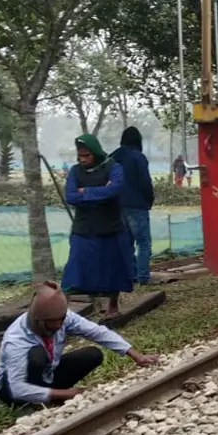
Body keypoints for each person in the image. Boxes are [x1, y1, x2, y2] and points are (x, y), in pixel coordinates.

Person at [0, 281, 158, 404]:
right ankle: (38, 400)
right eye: (53, 322)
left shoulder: (64, 318)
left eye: (62, 320)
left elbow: (97, 332)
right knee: (37, 356)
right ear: (39, 321)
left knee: (92, 354)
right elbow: (17, 388)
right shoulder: (16, 339)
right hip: (11, 390)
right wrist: (67, 394)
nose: (59, 325)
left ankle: (51, 394)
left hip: (48, 374)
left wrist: (135, 355)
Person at [62, 134, 135, 317]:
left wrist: (85, 192)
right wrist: (99, 193)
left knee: (113, 269)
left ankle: (112, 307)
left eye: (87, 155)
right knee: (74, 269)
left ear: (95, 152)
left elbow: (114, 189)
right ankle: (61, 311)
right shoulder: (75, 171)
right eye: (80, 156)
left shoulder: (113, 167)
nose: (83, 159)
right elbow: (71, 196)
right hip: (83, 228)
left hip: (110, 227)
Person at [113, 127, 156, 285]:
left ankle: (129, 275)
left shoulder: (113, 157)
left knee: (126, 243)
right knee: (144, 243)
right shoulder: (138, 158)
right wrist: (149, 200)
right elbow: (145, 182)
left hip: (117, 205)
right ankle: (143, 276)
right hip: (137, 205)